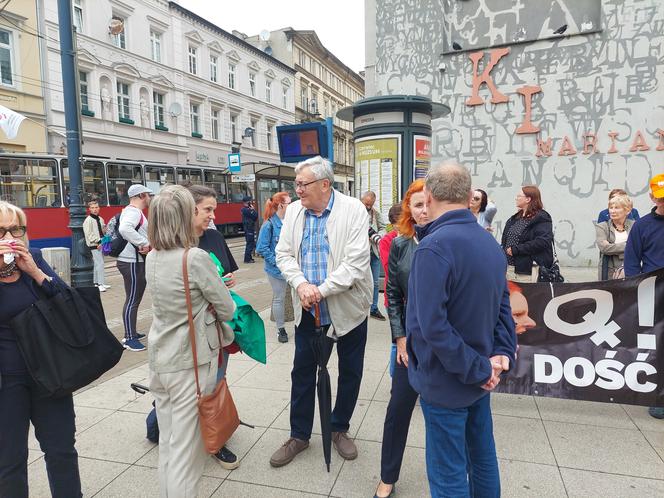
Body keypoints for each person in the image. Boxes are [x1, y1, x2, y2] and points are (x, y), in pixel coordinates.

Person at [406, 162, 516, 498]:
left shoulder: (433, 247)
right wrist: (500, 355)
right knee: (482, 460)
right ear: (469, 196)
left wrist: (480, 368)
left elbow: (433, 327)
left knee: (448, 473)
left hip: (448, 380)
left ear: (429, 194)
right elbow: (503, 307)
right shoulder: (488, 243)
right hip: (480, 376)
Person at [271, 156, 372, 467]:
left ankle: (339, 428)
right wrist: (302, 285)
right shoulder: (294, 213)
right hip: (308, 310)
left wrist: (321, 290)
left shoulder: (353, 209)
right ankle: (299, 434)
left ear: (325, 184)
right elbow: (283, 253)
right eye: (296, 184)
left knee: (350, 371)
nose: (297, 190)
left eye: (303, 184)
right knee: (302, 372)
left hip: (348, 307)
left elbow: (355, 264)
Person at [146, 186, 236, 496]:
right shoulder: (194, 258)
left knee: (169, 446)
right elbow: (228, 307)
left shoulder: (152, 256)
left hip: (161, 361)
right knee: (187, 453)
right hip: (190, 363)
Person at [0, 201, 82, 497]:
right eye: (1, 231)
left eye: (16, 229)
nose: (10, 237)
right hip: (6, 382)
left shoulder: (33, 258)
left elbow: (70, 307)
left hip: (50, 373)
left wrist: (34, 271)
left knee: (61, 450)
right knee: (9, 460)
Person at [374, 180, 428, 498]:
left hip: (446, 343)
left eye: (427, 204)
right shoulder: (400, 243)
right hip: (410, 340)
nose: (422, 210)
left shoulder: (450, 242)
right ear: (408, 209)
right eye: (416, 205)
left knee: (444, 414)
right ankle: (387, 476)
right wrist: (399, 337)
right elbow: (393, 293)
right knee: (398, 410)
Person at [187, 184, 240, 469]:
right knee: (190, 387)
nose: (212, 216)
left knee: (216, 381)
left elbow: (228, 275)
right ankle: (162, 423)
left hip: (216, 326)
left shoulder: (214, 237)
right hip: (189, 332)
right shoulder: (176, 245)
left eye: (213, 210)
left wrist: (228, 281)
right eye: (207, 210)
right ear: (189, 209)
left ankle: (217, 439)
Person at [624, 174, 664, 420]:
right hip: (654, 291)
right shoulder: (643, 225)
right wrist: (636, 288)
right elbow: (631, 261)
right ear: (652, 197)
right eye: (660, 199)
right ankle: (659, 395)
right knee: (657, 345)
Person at [118, 184, 152, 352]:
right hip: (131, 261)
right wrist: (144, 243)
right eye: (148, 195)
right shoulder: (133, 212)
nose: (150, 199)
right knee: (132, 299)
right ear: (142, 195)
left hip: (132, 260)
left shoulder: (129, 211)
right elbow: (124, 229)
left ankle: (132, 332)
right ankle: (129, 338)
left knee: (133, 298)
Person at [256, 191, 292, 344]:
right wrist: (279, 262)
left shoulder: (290, 222)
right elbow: (261, 248)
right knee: (279, 298)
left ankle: (298, 325)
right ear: (281, 205)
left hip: (291, 268)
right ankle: (281, 329)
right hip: (276, 270)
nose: (292, 205)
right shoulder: (269, 224)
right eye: (289, 203)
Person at [501, 185, 554, 283]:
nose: (516, 198)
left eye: (519, 196)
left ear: (528, 199)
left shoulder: (541, 217)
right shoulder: (516, 217)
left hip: (526, 271)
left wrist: (516, 249)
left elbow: (543, 241)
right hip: (509, 269)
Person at [595, 193, 635, 280]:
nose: (612, 211)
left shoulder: (634, 225)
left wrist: (612, 246)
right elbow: (604, 248)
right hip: (609, 270)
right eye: (611, 207)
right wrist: (628, 245)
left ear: (627, 210)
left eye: (617, 208)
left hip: (630, 268)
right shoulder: (602, 226)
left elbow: (640, 246)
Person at [361, 190, 387, 320]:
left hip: (374, 253)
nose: (368, 207)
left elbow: (384, 228)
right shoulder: (355, 212)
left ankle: (374, 308)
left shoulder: (376, 214)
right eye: (366, 203)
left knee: (375, 282)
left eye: (370, 204)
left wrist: (378, 235)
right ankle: (360, 308)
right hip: (361, 253)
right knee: (360, 281)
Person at [83, 199, 109, 291]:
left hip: (101, 243)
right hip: (95, 244)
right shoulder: (88, 220)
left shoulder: (100, 219)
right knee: (100, 263)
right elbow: (89, 234)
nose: (95, 209)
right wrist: (98, 241)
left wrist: (105, 230)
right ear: (89, 209)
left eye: (96, 207)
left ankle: (96, 283)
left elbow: (103, 231)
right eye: (92, 208)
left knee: (98, 264)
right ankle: (100, 284)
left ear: (99, 208)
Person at [241, 196, 258, 263]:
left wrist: (252, 210)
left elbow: (255, 217)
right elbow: (255, 216)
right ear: (247, 202)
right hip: (248, 228)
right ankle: (247, 259)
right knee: (250, 243)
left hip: (249, 228)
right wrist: (253, 210)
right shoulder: (245, 210)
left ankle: (249, 258)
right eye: (250, 201)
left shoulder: (247, 209)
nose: (251, 202)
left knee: (251, 243)